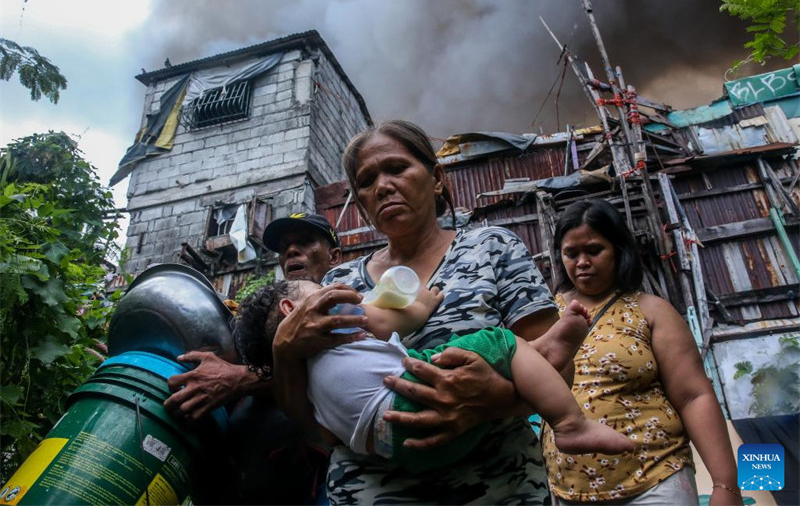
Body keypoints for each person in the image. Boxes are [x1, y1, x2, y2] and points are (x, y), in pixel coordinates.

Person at [271, 120, 584, 504]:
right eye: (366, 182)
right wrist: (283, 352)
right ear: (363, 203)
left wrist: (491, 400)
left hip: (500, 490)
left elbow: (558, 366)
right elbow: (317, 423)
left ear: (436, 178)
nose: (383, 186)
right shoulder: (338, 285)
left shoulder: (491, 249)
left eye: (398, 168)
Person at [237, 278, 633, 474]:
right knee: (497, 341)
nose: (329, 288)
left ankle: (540, 354)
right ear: (292, 309)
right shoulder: (335, 319)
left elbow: (317, 427)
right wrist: (424, 301)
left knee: (470, 356)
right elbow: (398, 317)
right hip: (408, 400)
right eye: (317, 287)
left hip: (405, 451)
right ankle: (570, 422)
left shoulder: (303, 383)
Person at [542, 199, 743, 506]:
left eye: (594, 250)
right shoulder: (544, 315)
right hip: (569, 490)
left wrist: (725, 485)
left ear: (619, 251)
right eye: (571, 253)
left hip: (655, 479)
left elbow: (693, 396)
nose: (582, 262)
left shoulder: (650, 311)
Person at [163, 212, 359, 504]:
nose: (291, 250)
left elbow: (346, 375)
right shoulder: (261, 310)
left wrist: (241, 378)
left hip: (307, 474)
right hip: (239, 470)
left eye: (305, 242)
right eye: (284, 247)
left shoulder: (351, 307)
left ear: (334, 256)